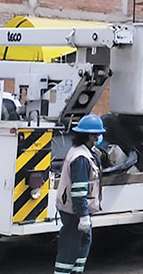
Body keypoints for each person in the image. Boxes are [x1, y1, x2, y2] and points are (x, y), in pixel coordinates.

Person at [56, 114, 105, 274]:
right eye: (97, 134)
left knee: (82, 247)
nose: (99, 137)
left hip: (77, 211)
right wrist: (83, 216)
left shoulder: (83, 152)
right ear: (90, 136)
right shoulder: (81, 158)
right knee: (70, 251)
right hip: (74, 213)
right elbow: (78, 191)